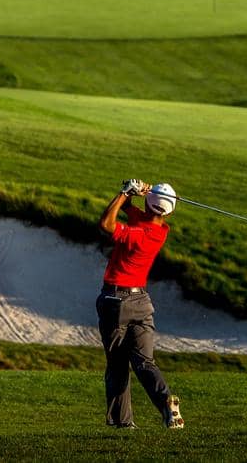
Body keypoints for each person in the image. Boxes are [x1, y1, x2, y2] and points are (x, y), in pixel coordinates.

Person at [97, 180, 184, 430]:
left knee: (117, 364)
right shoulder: (160, 230)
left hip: (116, 301)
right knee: (145, 362)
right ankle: (166, 401)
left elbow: (106, 224)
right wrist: (134, 194)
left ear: (150, 205)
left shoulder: (140, 235)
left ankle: (121, 423)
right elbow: (130, 211)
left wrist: (125, 192)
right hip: (142, 303)